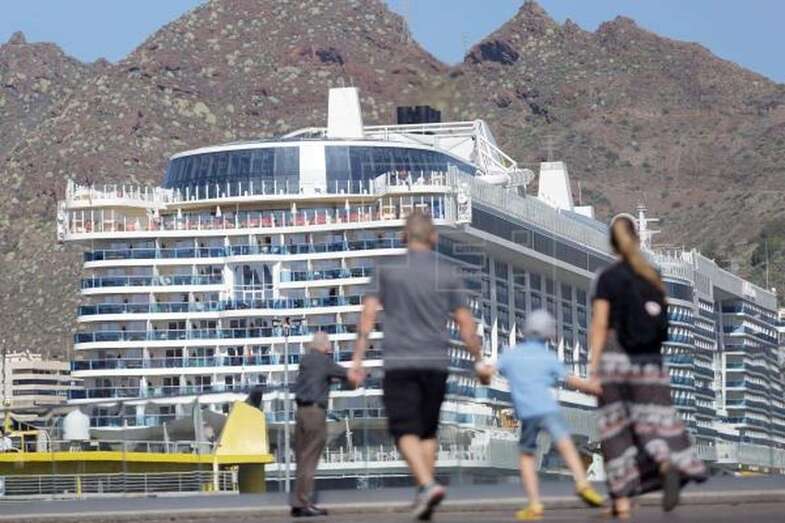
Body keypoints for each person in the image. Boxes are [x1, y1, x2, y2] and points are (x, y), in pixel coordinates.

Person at [351, 210, 485, 521]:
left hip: (400, 361)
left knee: (402, 430)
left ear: (403, 237)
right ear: (434, 238)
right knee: (426, 431)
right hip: (436, 363)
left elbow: (368, 316)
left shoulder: (387, 270)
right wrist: (478, 361)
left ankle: (426, 484)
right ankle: (425, 495)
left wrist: (357, 360)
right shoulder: (448, 272)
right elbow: (466, 324)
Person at [589, 214, 706, 518]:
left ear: (613, 244)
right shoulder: (652, 275)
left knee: (617, 430)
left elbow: (600, 324)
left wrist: (593, 367)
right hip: (649, 360)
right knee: (655, 422)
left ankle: (623, 504)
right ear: (637, 240)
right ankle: (667, 463)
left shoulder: (608, 277)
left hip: (615, 356)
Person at [476, 310, 605, 521]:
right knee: (566, 444)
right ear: (549, 335)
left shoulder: (511, 353)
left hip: (527, 412)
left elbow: (487, 373)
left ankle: (535, 504)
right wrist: (595, 388)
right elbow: (572, 381)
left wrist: (480, 372)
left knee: (527, 456)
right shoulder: (548, 356)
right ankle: (582, 483)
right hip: (548, 408)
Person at [290, 331, 354, 518]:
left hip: (300, 412)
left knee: (302, 458)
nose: (331, 347)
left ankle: (297, 502)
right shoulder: (324, 361)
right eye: (329, 344)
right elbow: (345, 374)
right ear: (325, 346)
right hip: (315, 413)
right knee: (310, 459)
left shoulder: (305, 360)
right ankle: (304, 503)